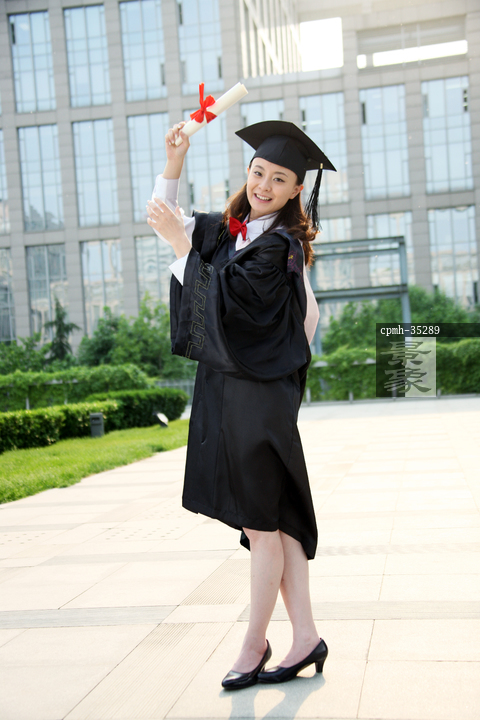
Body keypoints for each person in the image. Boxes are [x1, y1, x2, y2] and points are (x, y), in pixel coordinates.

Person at [146, 119, 336, 690]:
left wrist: (183, 248)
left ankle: (254, 644)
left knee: (261, 526)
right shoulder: (232, 231)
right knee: (276, 524)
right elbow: (164, 216)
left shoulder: (280, 247)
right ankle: (306, 637)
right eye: (258, 172)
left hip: (259, 399)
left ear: (297, 189)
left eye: (278, 179)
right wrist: (175, 161)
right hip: (230, 392)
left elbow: (232, 306)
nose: (264, 185)